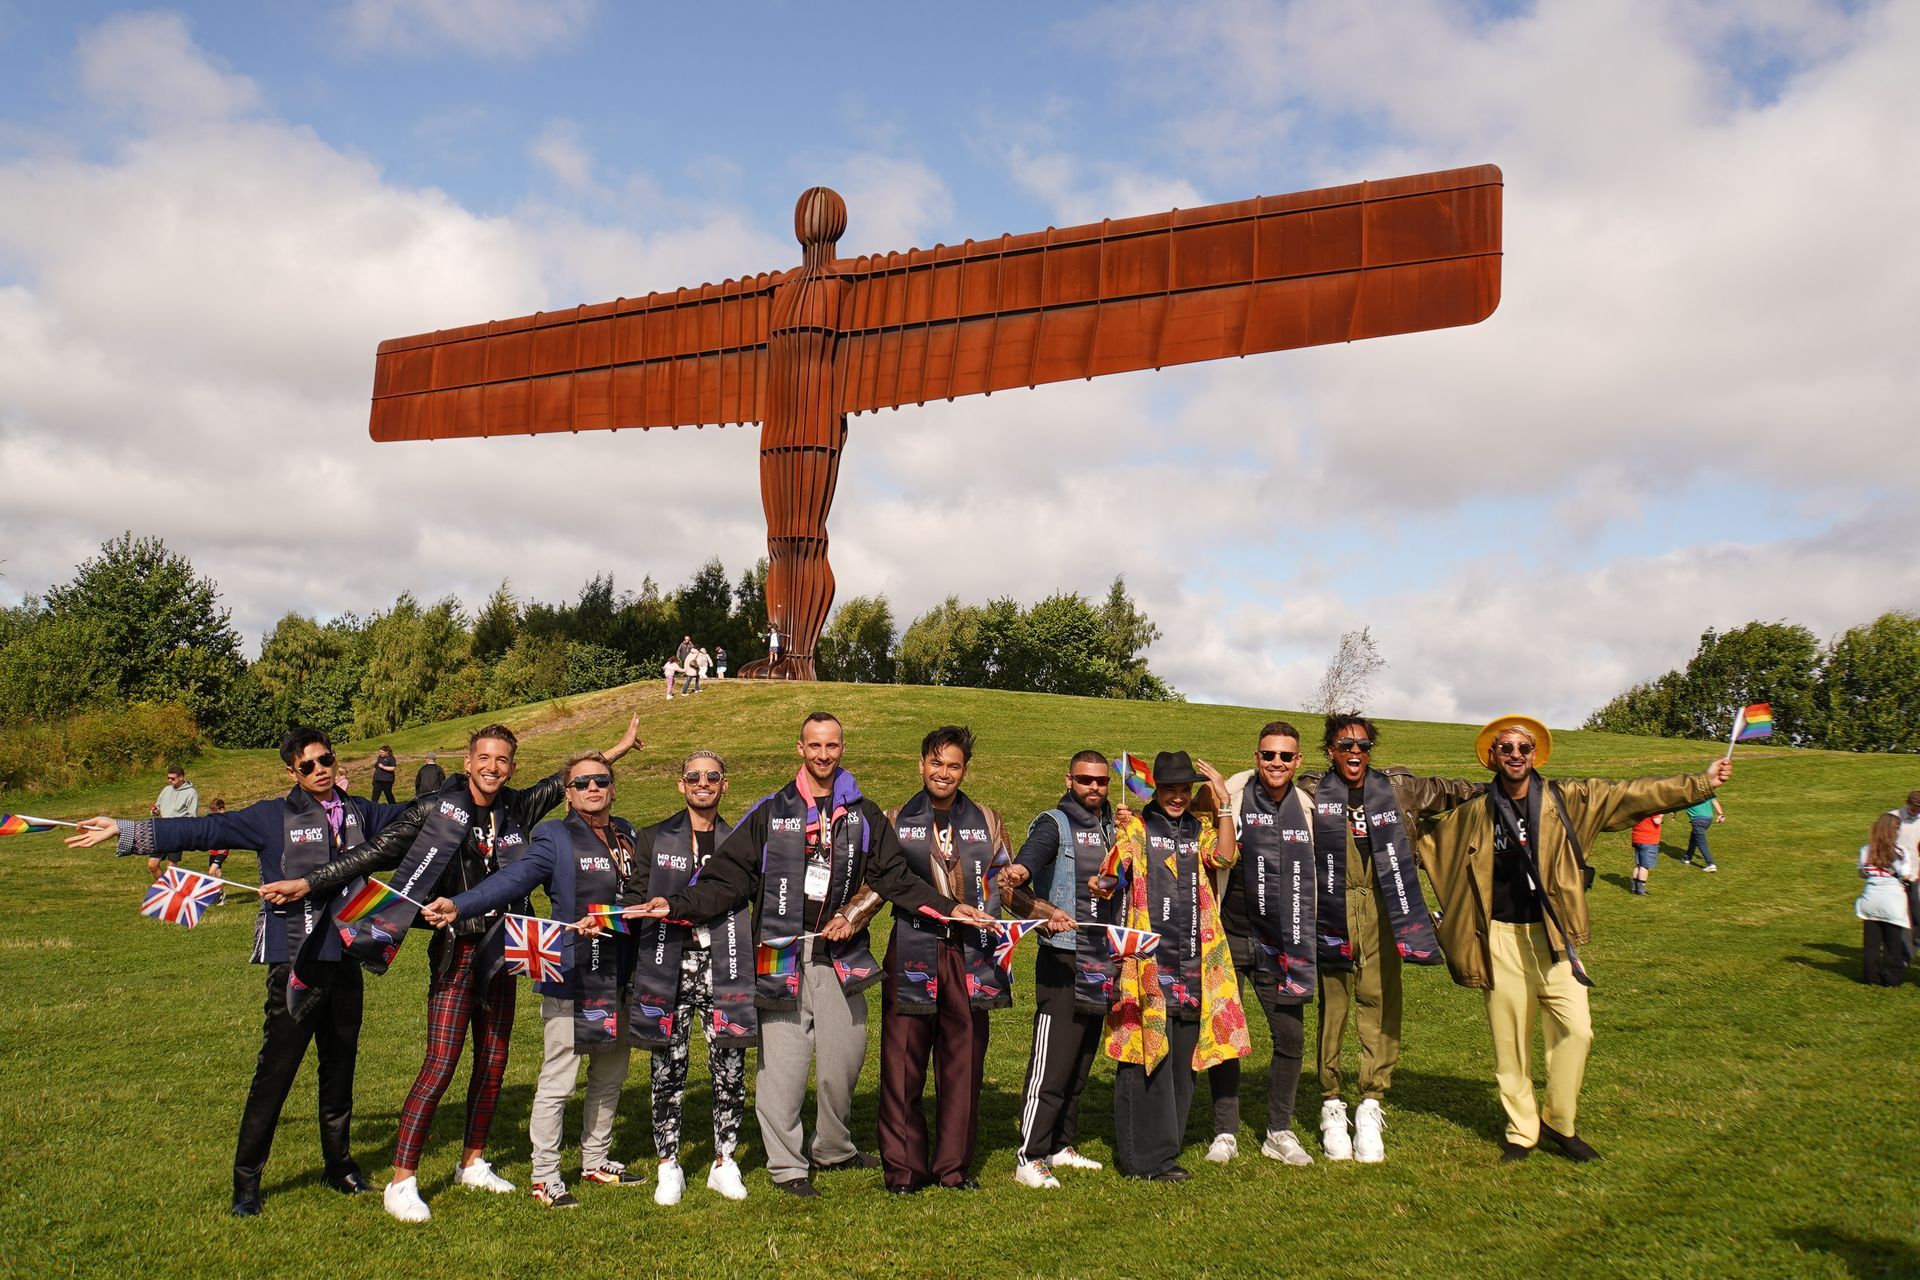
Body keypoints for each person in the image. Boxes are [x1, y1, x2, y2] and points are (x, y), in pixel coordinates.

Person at [261, 714, 641, 1223]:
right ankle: (402, 1179)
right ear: (467, 763)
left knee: (493, 1061)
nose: (492, 767)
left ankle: (473, 1161)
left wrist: (616, 748)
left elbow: (566, 782)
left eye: (502, 760)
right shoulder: (438, 809)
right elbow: (375, 851)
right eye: (483, 758)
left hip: (507, 948)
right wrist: (311, 883)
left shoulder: (517, 806)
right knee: (441, 1063)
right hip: (456, 948)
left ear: (511, 768)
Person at [626, 712, 994, 1198]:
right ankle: (787, 1166)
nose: (824, 755)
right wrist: (673, 904)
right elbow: (725, 880)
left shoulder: (861, 813)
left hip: (842, 956)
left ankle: (833, 1147)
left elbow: (895, 878)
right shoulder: (771, 811)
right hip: (782, 954)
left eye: (833, 746)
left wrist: (950, 909)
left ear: (842, 749)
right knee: (784, 1067)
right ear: (800, 748)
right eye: (815, 746)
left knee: (844, 1061)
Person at [67, 727, 412, 1216]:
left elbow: (421, 815)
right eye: (308, 765)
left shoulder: (362, 812)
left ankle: (339, 1166)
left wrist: (476, 785)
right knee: (276, 1072)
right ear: (291, 771)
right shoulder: (271, 817)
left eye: (326, 760)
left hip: (347, 956)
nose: (320, 771)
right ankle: (247, 1182)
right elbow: (201, 831)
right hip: (295, 961)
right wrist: (124, 829)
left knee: (340, 1068)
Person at [1414, 715, 1733, 1163]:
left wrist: (1700, 784)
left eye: (1523, 749)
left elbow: (1636, 794)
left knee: (1577, 1030)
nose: (1515, 756)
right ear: (1493, 757)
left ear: (1535, 755)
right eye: (1505, 748)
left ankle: (1559, 1123)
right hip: (1500, 938)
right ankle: (1521, 1133)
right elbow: (1422, 841)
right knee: (1511, 1044)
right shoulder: (1474, 814)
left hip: (1553, 938)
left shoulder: (1571, 800)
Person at [422, 749, 645, 1209]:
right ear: (568, 793)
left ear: (613, 786)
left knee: (610, 1074)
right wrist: (461, 903)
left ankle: (596, 1159)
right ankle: (544, 1174)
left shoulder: (629, 834)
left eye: (601, 781)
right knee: (560, 1079)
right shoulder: (554, 836)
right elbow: (513, 879)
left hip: (623, 972)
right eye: (582, 783)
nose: (593, 789)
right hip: (573, 975)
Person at [876, 726, 1058, 1195]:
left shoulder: (990, 820)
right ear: (920, 765)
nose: (943, 773)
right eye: (935, 763)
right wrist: (844, 921)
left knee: (964, 1065)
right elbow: (879, 885)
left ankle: (952, 1169)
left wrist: (1048, 914)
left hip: (973, 955)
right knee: (902, 1065)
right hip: (914, 947)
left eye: (953, 765)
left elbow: (1009, 890)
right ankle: (904, 1171)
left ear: (964, 771)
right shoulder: (894, 819)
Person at [1308, 714, 1482, 1164]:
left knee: (1381, 1000)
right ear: (1329, 750)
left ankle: (1371, 1101)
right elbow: (1254, 792)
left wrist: (1501, 781)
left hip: (1387, 905)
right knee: (1335, 1003)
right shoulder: (1309, 791)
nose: (1354, 752)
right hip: (1332, 905)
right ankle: (1330, 1101)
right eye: (1345, 744)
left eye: (1363, 746)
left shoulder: (1398, 789)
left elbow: (1452, 791)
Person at [1098, 750, 1248, 1182]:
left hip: (1196, 963)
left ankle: (1167, 1149)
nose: (1178, 797)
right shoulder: (1137, 827)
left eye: (1185, 790)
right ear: (1156, 790)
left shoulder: (1200, 830)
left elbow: (1223, 858)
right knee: (1145, 1058)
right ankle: (1140, 1157)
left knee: (1183, 1060)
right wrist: (1117, 849)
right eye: (1170, 790)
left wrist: (1221, 801)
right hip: (1149, 965)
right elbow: (1114, 874)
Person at [613, 751, 753, 1206]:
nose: (703, 782)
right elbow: (635, 896)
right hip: (666, 966)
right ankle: (668, 1163)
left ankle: (724, 1160)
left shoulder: (740, 840)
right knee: (667, 1069)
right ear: (681, 785)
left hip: (726, 966)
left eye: (712, 776)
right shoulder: (654, 837)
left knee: (729, 1067)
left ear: (724, 784)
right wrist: (611, 919)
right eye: (693, 776)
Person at [1002, 751, 1120, 1189]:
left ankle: (1061, 1144)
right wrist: (1019, 870)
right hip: (1063, 956)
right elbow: (1032, 857)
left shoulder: (1113, 826)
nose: (1094, 787)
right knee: (1052, 1061)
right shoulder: (1054, 822)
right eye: (1085, 780)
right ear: (1069, 779)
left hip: (1103, 955)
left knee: (1081, 1059)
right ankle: (1029, 1155)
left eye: (1101, 781)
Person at [1211, 722, 1318, 1166]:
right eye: (1268, 755)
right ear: (1256, 758)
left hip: (1283, 941)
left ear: (1298, 762)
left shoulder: (1308, 809)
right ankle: (1225, 1132)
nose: (1276, 763)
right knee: (1226, 1033)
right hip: (1232, 934)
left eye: (1285, 757)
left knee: (1290, 1036)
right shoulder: (1232, 795)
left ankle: (1279, 1130)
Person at [1856, 812, 1915, 987]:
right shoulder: (1900, 852)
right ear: (1894, 831)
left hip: (1870, 899)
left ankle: (1871, 977)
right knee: (1892, 942)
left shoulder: (1866, 850)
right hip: (1892, 901)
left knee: (1871, 943)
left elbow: (1862, 873)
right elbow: (1906, 875)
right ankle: (1891, 978)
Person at [148, 764, 200, 878]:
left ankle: (171, 891)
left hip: (177, 833)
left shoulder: (191, 793)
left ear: (181, 777)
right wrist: (155, 811)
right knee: (152, 865)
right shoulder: (166, 790)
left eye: (173, 778)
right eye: (168, 778)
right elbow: (157, 807)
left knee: (171, 867)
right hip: (162, 831)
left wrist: (187, 834)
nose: (170, 781)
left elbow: (193, 817)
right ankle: (166, 889)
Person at [1887, 790, 1920, 962]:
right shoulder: (1893, 818)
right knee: (1900, 916)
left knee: (1916, 916)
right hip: (1893, 877)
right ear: (1907, 803)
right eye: (1913, 808)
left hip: (1915, 875)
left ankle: (1910, 950)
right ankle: (1903, 954)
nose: (1916, 812)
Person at [1680, 793, 1724, 871]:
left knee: (1701, 842)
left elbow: (1676, 803)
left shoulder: (1687, 793)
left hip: (1698, 820)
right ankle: (1687, 858)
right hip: (1708, 819)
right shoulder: (1705, 790)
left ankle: (1711, 864)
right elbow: (1714, 801)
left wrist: (1672, 812)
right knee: (1694, 838)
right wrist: (1720, 814)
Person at [1628, 811, 1663, 896]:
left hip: (1637, 838)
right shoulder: (1653, 809)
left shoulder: (1638, 809)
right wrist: (1662, 814)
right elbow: (1657, 821)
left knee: (1638, 864)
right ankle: (1641, 888)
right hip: (1648, 840)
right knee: (1644, 865)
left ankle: (1634, 887)